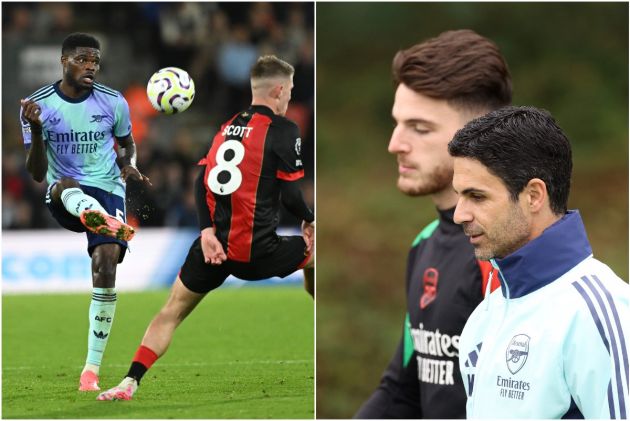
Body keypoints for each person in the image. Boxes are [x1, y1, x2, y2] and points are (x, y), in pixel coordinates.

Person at [96, 55, 315, 401]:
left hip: (213, 250)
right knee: (319, 256)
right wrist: (310, 218)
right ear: (277, 90)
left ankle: (129, 382)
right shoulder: (284, 130)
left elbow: (202, 180)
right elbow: (290, 195)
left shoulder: (227, 126)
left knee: (170, 312)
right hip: (259, 251)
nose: (289, 98)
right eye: (288, 91)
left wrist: (206, 231)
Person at [355, 30, 511, 418]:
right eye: (397, 123)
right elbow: (402, 391)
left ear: (480, 130)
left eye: (419, 128)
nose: (395, 143)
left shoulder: (509, 254)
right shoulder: (425, 243)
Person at [449, 106, 629, 418]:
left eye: (477, 197)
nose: (458, 214)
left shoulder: (599, 312)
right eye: (459, 196)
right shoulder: (486, 313)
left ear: (533, 195)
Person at [19, 33, 151, 392]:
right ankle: (99, 217)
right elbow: (34, 173)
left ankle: (90, 372)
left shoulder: (114, 102)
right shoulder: (37, 105)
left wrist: (130, 165)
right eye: (83, 59)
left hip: (108, 187)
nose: (91, 65)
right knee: (63, 185)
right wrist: (35, 126)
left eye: (95, 60)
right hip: (65, 192)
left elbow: (127, 144)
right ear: (64, 61)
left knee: (106, 264)